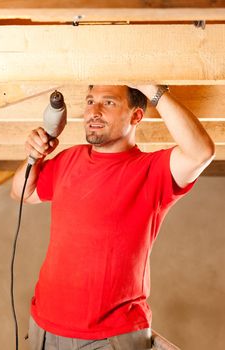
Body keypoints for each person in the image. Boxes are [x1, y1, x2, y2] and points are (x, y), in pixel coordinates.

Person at [11, 84, 215, 350]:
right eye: (89, 101)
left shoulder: (153, 171)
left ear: (136, 116)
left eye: (108, 103)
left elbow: (201, 152)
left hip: (109, 338)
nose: (93, 111)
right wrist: (35, 155)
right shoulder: (68, 160)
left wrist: (153, 90)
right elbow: (22, 193)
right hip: (45, 329)